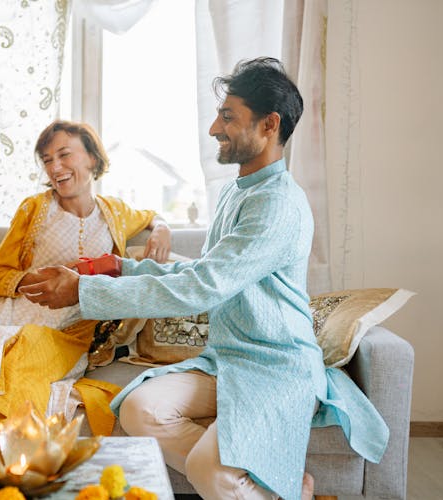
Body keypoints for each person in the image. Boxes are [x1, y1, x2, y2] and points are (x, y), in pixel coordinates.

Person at [19, 58, 389, 500]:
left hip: (275, 367)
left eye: (228, 116)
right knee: (139, 410)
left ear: (269, 125)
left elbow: (202, 286)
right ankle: (281, 484)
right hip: (226, 360)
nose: (215, 127)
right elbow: (200, 271)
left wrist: (82, 289)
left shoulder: (278, 206)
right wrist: (121, 266)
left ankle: (280, 488)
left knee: (210, 472)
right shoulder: (238, 191)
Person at [0, 119, 171, 437]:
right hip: (14, 315)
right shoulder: (34, 209)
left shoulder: (115, 212)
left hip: (71, 331)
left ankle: (9, 454)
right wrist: (43, 279)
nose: (55, 167)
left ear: (93, 159)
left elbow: (151, 216)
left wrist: (163, 228)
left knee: (21, 361)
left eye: (64, 155)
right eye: (47, 160)